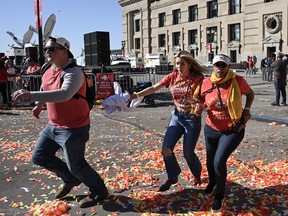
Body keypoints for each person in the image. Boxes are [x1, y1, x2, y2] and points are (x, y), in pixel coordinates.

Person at [11, 36, 108, 208]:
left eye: (52, 49)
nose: (47, 52)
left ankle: (99, 190)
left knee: (76, 165)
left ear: (64, 51)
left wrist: (30, 95)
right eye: (46, 49)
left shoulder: (74, 72)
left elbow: (64, 94)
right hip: (53, 125)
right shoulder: (48, 67)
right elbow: (45, 86)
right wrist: (39, 105)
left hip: (74, 127)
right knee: (39, 156)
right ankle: (70, 178)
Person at [131, 51, 206, 191]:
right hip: (177, 117)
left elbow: (205, 97)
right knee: (166, 149)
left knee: (188, 153)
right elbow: (154, 88)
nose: (178, 66)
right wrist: (136, 95)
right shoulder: (172, 77)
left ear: (189, 64)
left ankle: (197, 173)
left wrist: (200, 107)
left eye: (182, 64)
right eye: (177, 63)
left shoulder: (198, 79)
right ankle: (173, 176)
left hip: (192, 119)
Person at [195, 54, 254, 212]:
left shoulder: (237, 81)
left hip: (233, 129)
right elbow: (200, 99)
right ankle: (213, 182)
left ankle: (219, 195)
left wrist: (247, 109)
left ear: (228, 67)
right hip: (211, 128)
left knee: (218, 160)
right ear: (212, 66)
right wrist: (199, 106)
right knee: (209, 160)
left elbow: (250, 94)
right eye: (217, 65)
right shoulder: (206, 82)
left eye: (223, 65)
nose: (219, 68)